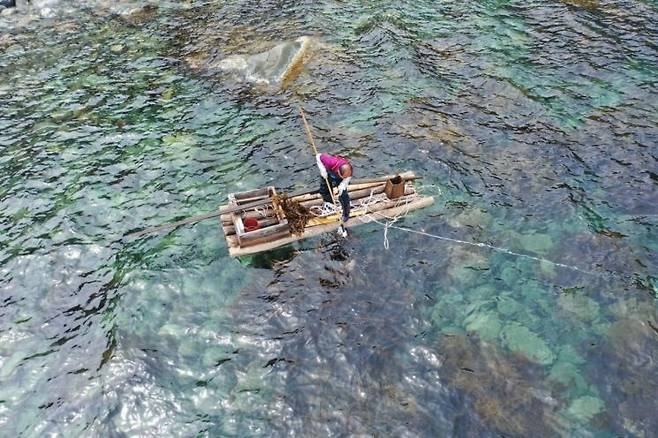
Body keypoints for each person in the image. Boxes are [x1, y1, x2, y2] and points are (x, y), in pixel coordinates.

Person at [316, 153, 352, 222]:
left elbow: (348, 178)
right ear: (338, 171)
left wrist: (343, 184)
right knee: (324, 189)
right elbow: (318, 156)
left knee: (343, 195)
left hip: (340, 177)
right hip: (328, 171)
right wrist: (322, 170)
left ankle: (346, 214)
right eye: (344, 176)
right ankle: (330, 204)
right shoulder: (331, 161)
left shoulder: (349, 169)